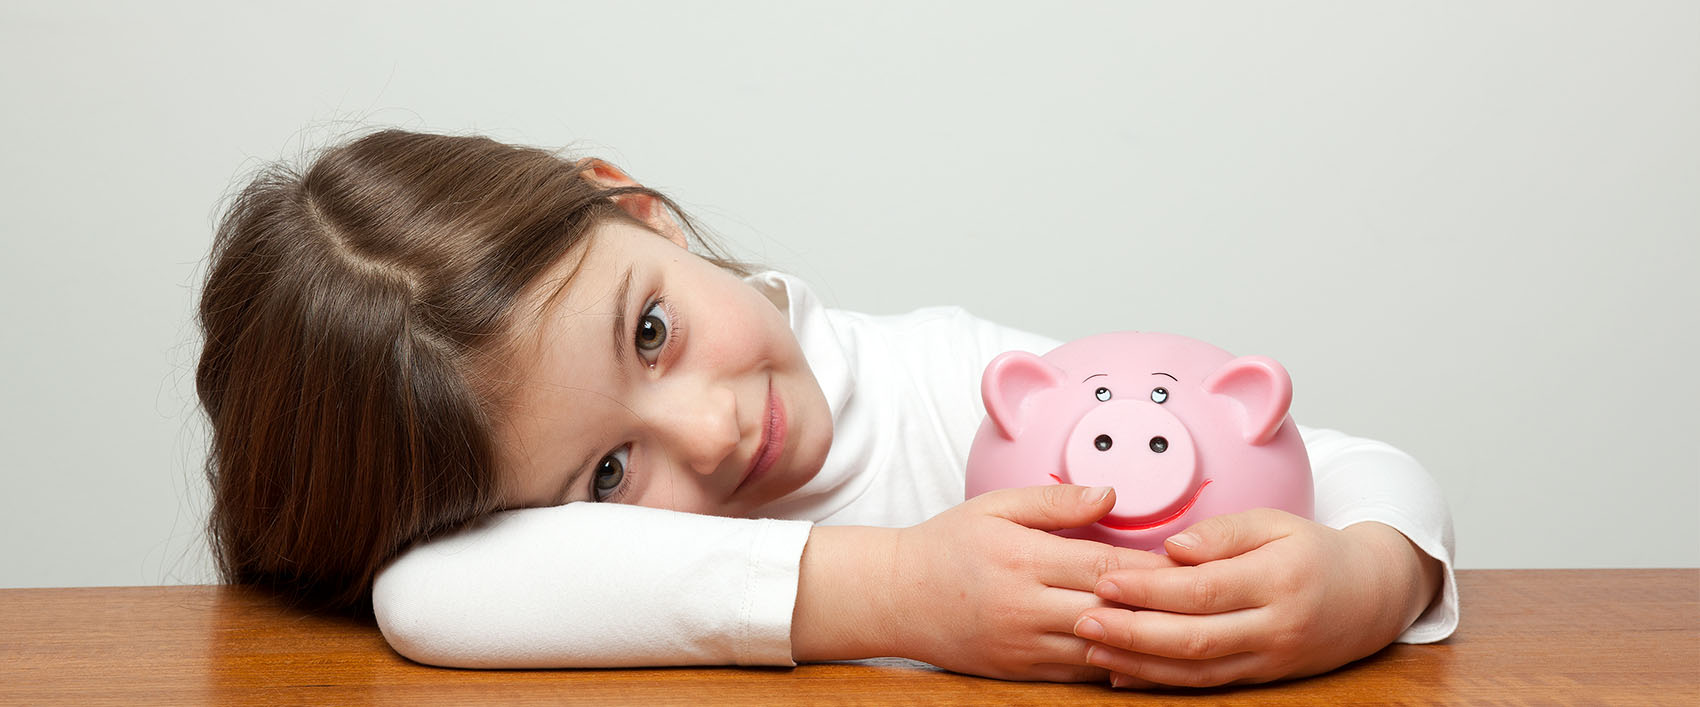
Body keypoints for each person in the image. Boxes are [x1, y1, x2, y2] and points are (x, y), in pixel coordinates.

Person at [198, 128, 1456, 689]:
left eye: (650, 331)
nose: (708, 431)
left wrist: (1359, 582)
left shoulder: (950, 384)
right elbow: (426, 598)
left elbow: (1359, 464)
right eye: (604, 476)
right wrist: (899, 593)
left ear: (639, 209)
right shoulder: (471, 580)